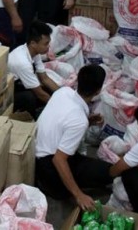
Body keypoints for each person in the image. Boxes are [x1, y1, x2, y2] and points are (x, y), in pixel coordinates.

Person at [35, 64, 110, 210]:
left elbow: (64, 120)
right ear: (98, 91)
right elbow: (59, 159)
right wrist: (78, 195)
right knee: (106, 172)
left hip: (37, 150)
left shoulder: (63, 92)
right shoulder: (79, 121)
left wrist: (87, 120)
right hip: (48, 167)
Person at [8, 21, 60, 118]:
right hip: (9, 92)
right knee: (30, 98)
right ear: (33, 43)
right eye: (46, 44)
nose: (48, 46)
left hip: (21, 84)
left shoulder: (34, 52)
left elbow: (45, 79)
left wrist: (62, 94)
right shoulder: (22, 62)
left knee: (51, 92)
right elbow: (40, 93)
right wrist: (60, 107)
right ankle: (31, 120)